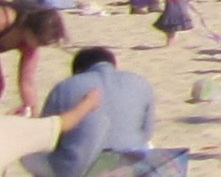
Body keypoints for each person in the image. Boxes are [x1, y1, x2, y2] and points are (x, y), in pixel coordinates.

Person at [24, 47, 153, 177]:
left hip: (81, 170)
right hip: (130, 165)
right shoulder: (140, 82)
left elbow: (49, 135)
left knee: (32, 154)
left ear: (78, 70)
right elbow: (147, 133)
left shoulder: (65, 86)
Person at [1, 5, 66, 118]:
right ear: (30, 29)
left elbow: (28, 81)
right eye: (41, 41)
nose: (40, 46)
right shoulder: (4, 19)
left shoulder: (29, 45)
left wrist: (32, 112)